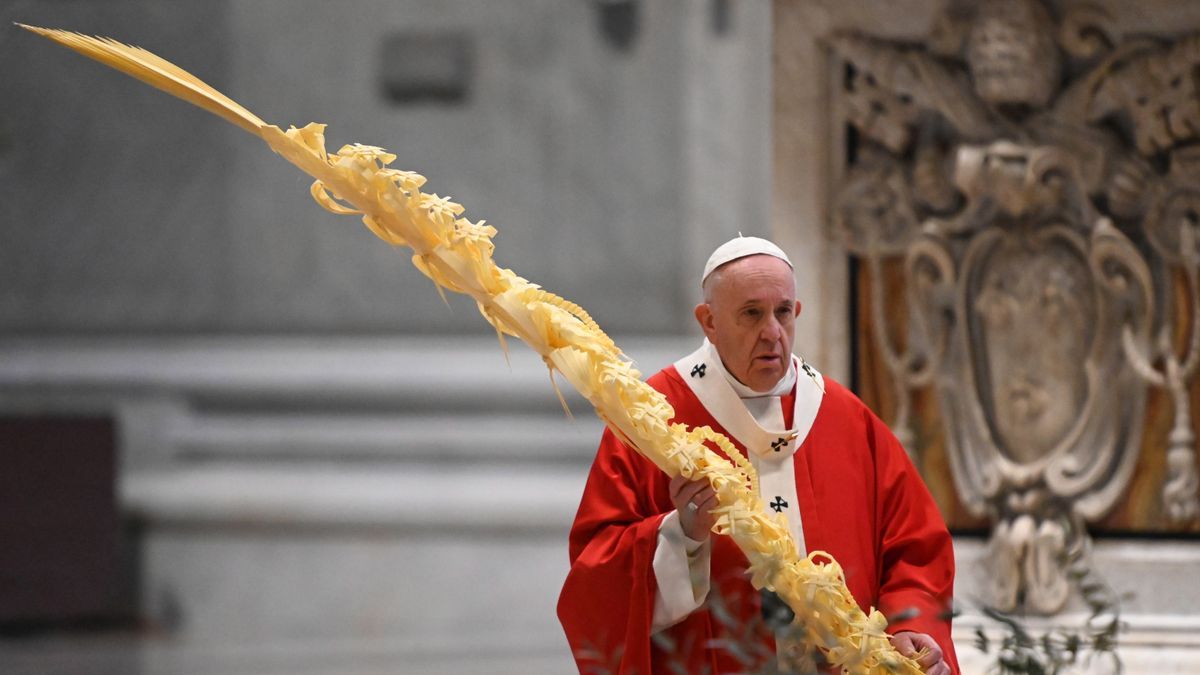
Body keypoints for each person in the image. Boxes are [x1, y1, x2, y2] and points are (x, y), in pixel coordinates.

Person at [557, 236, 959, 674]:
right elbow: (594, 580)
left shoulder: (843, 417)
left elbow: (915, 553)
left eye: (783, 312)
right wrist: (682, 536)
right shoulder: (654, 417)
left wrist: (909, 627)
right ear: (708, 321)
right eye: (751, 314)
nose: (772, 332)